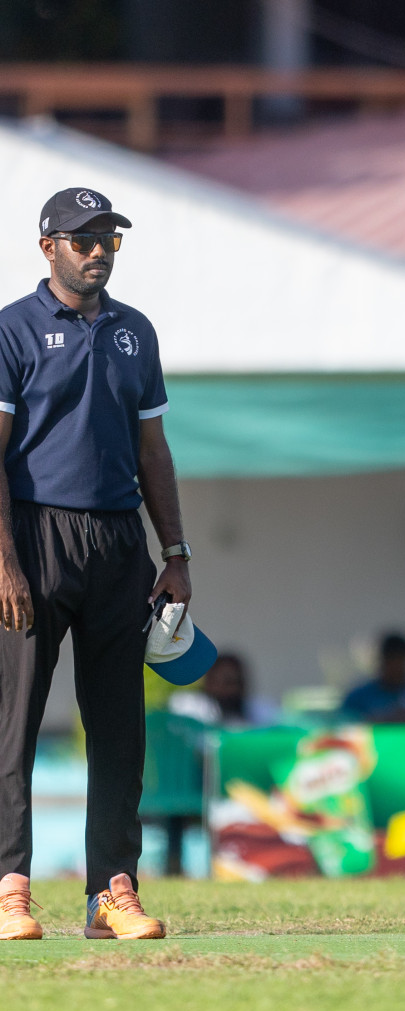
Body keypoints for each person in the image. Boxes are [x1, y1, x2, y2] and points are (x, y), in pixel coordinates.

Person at [0, 188, 192, 941]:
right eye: (82, 239)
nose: (98, 250)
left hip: (118, 545)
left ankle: (111, 892)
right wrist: (4, 563)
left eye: (108, 236)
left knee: (119, 728)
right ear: (48, 247)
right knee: (12, 725)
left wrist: (174, 553)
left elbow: (154, 451)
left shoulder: (134, 333)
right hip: (32, 536)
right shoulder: (12, 330)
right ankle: (10, 889)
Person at [340, 633, 405, 724]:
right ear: (381, 661)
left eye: (401, 662)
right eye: (391, 661)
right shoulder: (359, 697)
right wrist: (381, 720)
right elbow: (345, 726)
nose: (396, 668)